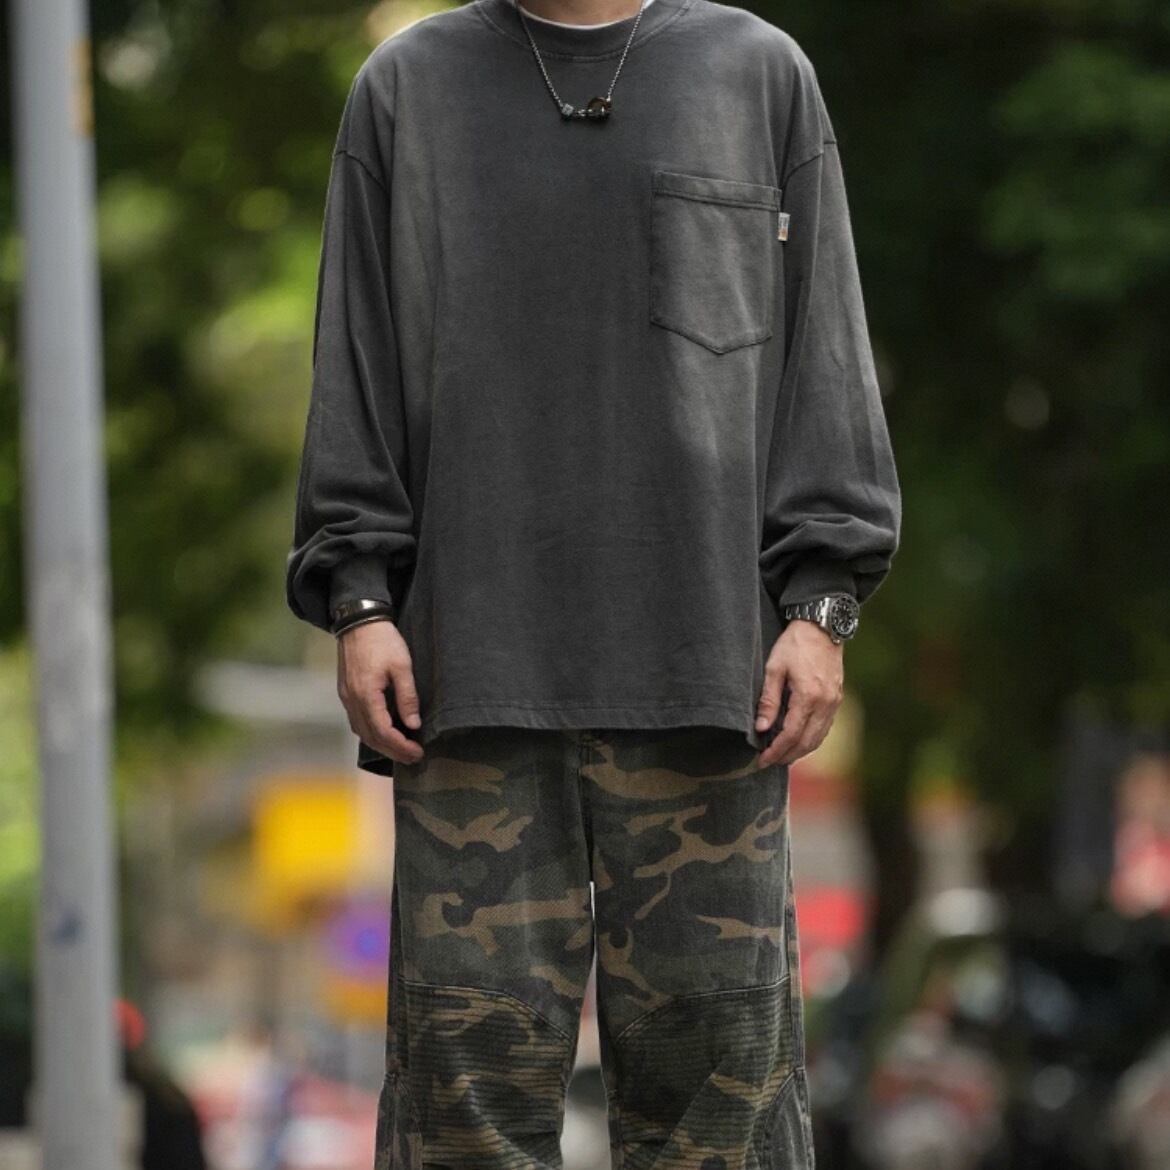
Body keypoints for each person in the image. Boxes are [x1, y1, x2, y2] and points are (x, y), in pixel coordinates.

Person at [286, 0, 901, 1164]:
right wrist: (359, 599)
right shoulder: (407, 87)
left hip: (714, 684)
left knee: (721, 1111)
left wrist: (822, 606)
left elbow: (824, 354)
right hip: (468, 682)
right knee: (462, 1111)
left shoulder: (755, 72)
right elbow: (352, 364)